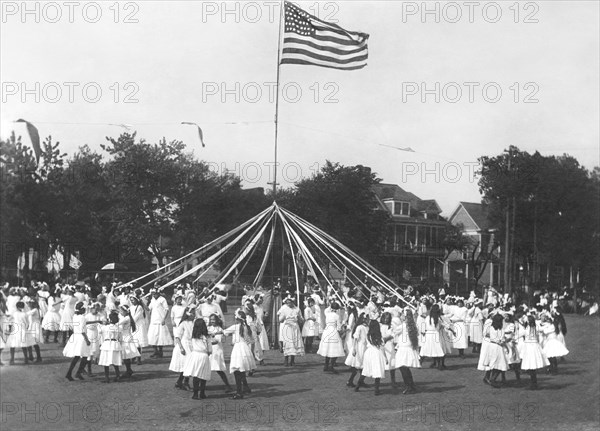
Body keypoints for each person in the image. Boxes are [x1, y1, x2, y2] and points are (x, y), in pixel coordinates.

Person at [223, 309, 256, 399]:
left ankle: (239, 392)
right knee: (241, 370)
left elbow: (224, 332)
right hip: (245, 349)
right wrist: (251, 352)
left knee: (237, 371)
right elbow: (251, 341)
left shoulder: (236, 327)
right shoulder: (247, 327)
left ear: (237, 319)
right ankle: (245, 388)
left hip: (238, 350)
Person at [182, 318, 213, 399]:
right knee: (203, 375)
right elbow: (210, 350)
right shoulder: (207, 337)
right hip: (204, 355)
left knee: (196, 375)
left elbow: (192, 346)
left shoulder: (194, 336)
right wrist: (207, 353)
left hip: (195, 355)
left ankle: (195, 394)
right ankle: (202, 393)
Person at [355, 320, 388, 395]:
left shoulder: (368, 335)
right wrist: (385, 357)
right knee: (377, 370)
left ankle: (357, 386)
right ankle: (376, 390)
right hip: (377, 353)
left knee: (365, 370)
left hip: (369, 353)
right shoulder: (379, 336)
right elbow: (382, 347)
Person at [519, 315, 549, 390]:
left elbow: (521, 334)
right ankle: (533, 383)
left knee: (531, 364)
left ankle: (534, 384)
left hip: (530, 347)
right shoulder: (535, 327)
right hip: (534, 346)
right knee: (532, 365)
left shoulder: (529, 328)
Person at [394, 308, 420, 394]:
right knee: (405, 368)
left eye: (401, 315)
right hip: (409, 348)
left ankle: (409, 386)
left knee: (403, 368)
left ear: (404, 317)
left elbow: (393, 332)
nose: (400, 316)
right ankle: (411, 385)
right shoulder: (413, 325)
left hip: (403, 349)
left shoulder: (402, 326)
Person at [316, 301, 346, 373]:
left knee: (328, 348)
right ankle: (331, 366)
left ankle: (326, 366)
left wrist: (331, 305)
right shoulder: (337, 316)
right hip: (333, 331)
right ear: (337, 309)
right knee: (335, 349)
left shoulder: (327, 314)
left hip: (327, 331)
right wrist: (341, 330)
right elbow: (338, 327)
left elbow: (327, 309)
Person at [207, 314, 233, 393]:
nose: (212, 321)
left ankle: (227, 385)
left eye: (214, 320)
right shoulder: (208, 328)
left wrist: (211, 336)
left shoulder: (220, 329)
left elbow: (217, 341)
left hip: (217, 350)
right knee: (205, 367)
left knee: (219, 369)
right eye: (211, 320)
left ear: (217, 320)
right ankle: (201, 386)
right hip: (209, 350)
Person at [278, 296, 305, 366]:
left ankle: (292, 360)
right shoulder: (284, 309)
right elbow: (280, 320)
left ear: (293, 302)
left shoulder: (297, 309)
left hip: (295, 327)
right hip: (287, 328)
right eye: (287, 303)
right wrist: (282, 318)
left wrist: (300, 319)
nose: (289, 304)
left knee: (294, 343)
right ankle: (286, 360)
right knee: (287, 343)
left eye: (290, 303)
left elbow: (301, 318)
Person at [98, 310, 124, 383]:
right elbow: (120, 338)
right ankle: (117, 375)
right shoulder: (119, 328)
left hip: (106, 344)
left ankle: (107, 378)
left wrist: (102, 323)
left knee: (106, 362)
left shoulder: (105, 327)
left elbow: (100, 331)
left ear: (110, 319)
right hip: (115, 344)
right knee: (115, 361)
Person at [345, 312, 368, 387]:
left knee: (363, 366)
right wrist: (354, 348)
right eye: (365, 318)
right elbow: (355, 338)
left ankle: (360, 381)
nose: (367, 320)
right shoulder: (360, 327)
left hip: (365, 347)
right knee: (357, 365)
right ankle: (350, 381)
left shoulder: (367, 327)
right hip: (359, 347)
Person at [147, 289, 173, 358]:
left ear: (158, 293)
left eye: (155, 293)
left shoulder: (162, 299)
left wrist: (164, 319)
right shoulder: (152, 300)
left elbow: (167, 309)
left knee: (160, 337)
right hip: (153, 321)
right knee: (152, 336)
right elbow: (148, 308)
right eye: (152, 294)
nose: (154, 295)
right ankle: (155, 351)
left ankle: (160, 352)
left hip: (160, 320)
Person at [119, 304, 139, 378]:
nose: (120, 312)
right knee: (125, 355)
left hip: (126, 337)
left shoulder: (126, 318)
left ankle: (128, 370)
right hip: (125, 336)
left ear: (125, 311)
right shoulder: (126, 317)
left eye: (121, 311)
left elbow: (117, 324)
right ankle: (129, 369)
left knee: (126, 354)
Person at [130, 295, 148, 364]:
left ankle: (138, 358)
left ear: (137, 300)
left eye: (133, 300)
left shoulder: (140, 307)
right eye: (131, 300)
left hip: (139, 325)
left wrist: (130, 322)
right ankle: (134, 356)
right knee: (134, 341)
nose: (132, 301)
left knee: (138, 342)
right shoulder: (131, 307)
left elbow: (136, 317)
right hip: (133, 325)